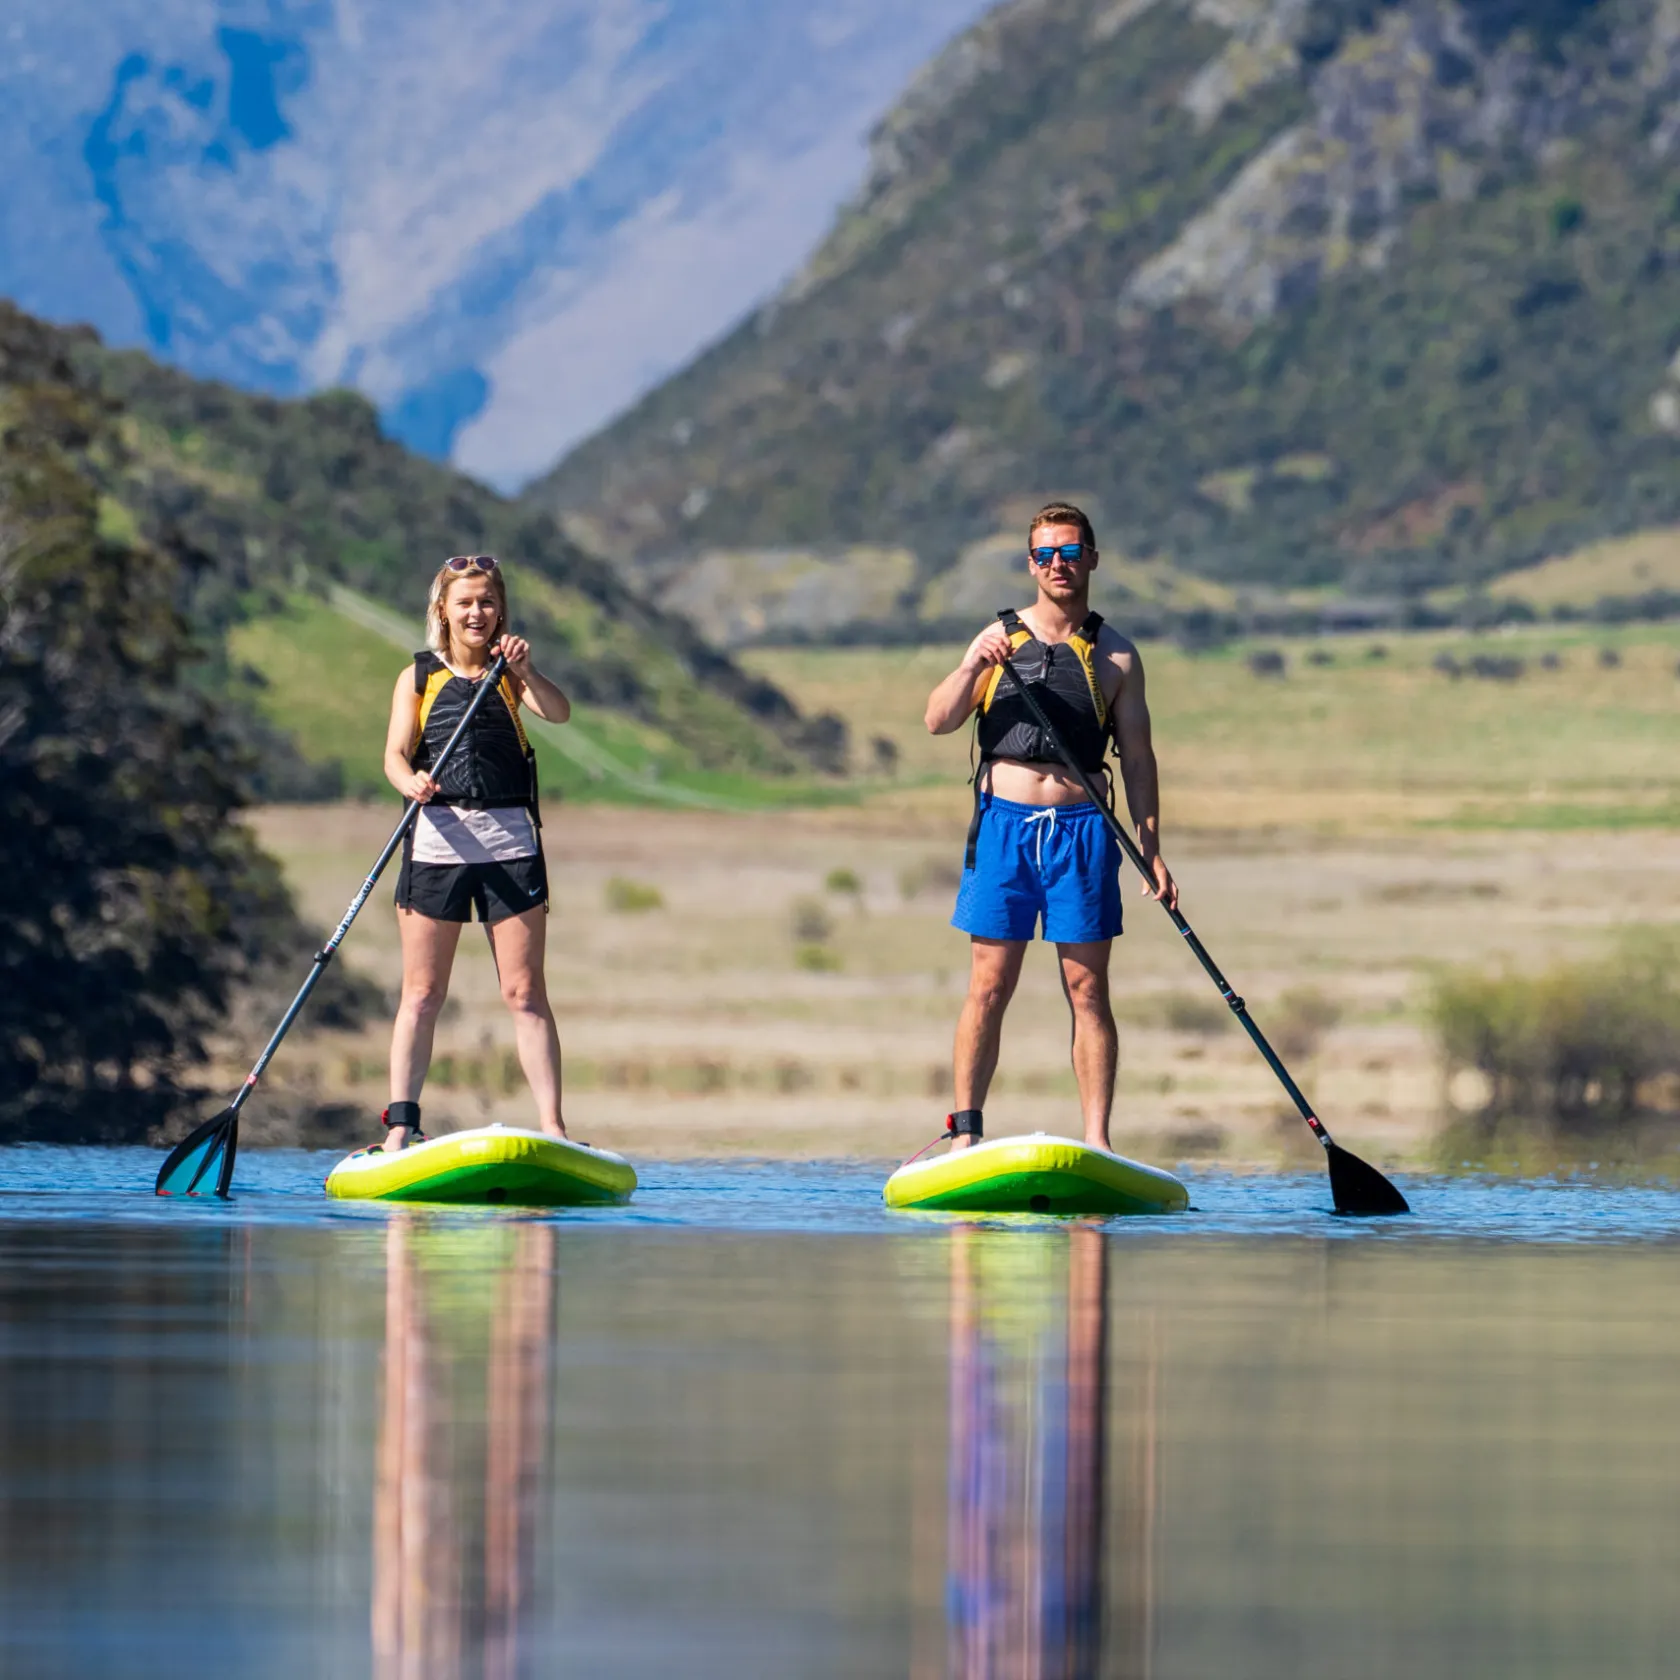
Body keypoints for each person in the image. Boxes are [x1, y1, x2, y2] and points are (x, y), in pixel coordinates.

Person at [923, 503, 1177, 1153]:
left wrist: (1151, 847)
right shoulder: (997, 637)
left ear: (1092, 558)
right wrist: (970, 666)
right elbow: (938, 720)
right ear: (1030, 563)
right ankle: (965, 1136)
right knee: (989, 983)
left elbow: (1139, 757)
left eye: (1070, 552)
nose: (1057, 565)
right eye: (1045, 555)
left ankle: (1098, 1140)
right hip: (1003, 828)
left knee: (1088, 987)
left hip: (1083, 830)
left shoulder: (1117, 655)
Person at [375, 555, 573, 1152]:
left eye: (486, 602)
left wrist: (529, 671)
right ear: (444, 610)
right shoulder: (418, 676)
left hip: (510, 844)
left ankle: (554, 1128)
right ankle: (402, 1126)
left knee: (524, 993)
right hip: (437, 843)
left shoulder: (511, 673)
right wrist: (408, 781)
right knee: (423, 993)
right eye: (464, 602)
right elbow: (394, 755)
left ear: (500, 609)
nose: (476, 612)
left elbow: (558, 712)